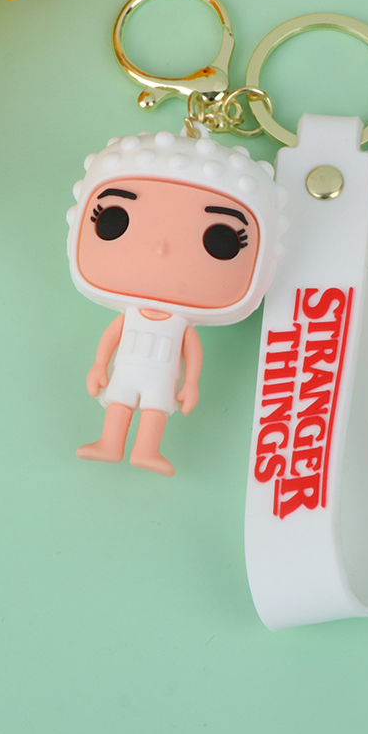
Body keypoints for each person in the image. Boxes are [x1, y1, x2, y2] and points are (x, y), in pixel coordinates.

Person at [66, 129, 285, 475]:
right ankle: (109, 443)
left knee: (155, 409)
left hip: (162, 374)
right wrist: (98, 365)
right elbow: (111, 338)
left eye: (222, 240)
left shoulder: (182, 325)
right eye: (112, 220)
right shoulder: (131, 315)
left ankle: (147, 450)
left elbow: (192, 353)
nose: (160, 249)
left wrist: (191, 382)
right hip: (128, 368)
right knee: (119, 401)